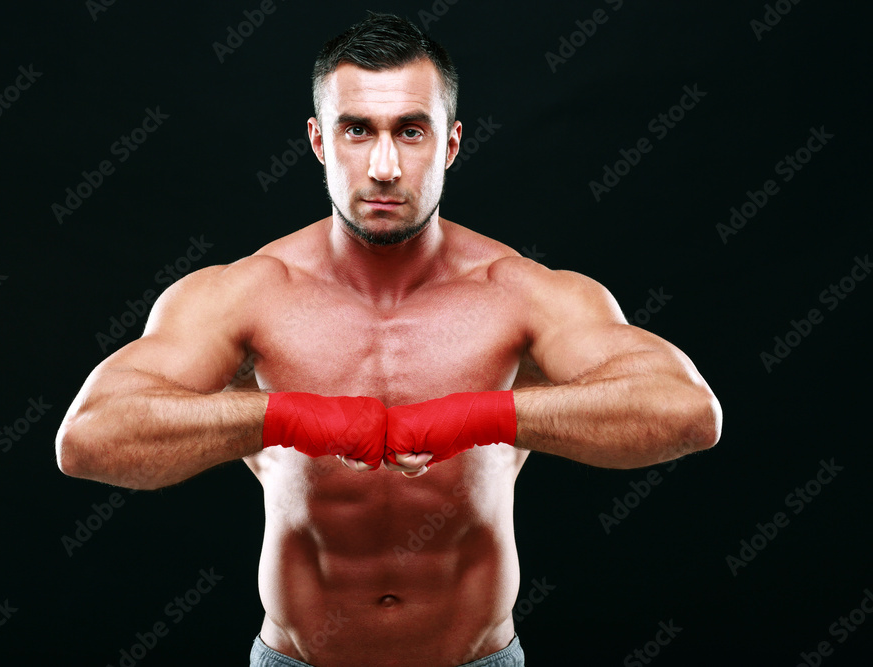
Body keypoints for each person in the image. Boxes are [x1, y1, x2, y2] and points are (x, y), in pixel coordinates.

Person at [55, 11, 722, 667]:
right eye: (356, 130)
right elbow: (89, 439)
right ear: (319, 141)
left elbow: (688, 414)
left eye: (410, 131)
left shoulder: (520, 292)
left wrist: (482, 414)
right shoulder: (246, 294)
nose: (382, 165)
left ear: (451, 143)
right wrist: (289, 416)